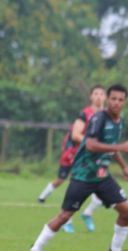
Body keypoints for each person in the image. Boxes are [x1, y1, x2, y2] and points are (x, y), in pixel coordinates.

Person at [27, 84, 128, 251]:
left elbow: (112, 146)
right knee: (64, 216)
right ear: (108, 100)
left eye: (121, 99)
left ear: (125, 102)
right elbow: (91, 145)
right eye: (113, 99)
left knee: (127, 211)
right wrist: (120, 147)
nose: (116, 103)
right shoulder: (99, 118)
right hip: (83, 176)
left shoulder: (120, 121)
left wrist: (124, 167)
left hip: (102, 177)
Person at [37, 85, 106, 233]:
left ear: (105, 97)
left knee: (102, 185)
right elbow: (75, 135)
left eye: (102, 94)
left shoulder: (106, 116)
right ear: (91, 97)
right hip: (76, 155)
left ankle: (87, 214)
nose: (99, 96)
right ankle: (65, 218)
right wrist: (91, 144)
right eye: (96, 93)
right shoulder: (85, 114)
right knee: (67, 183)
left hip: (96, 157)